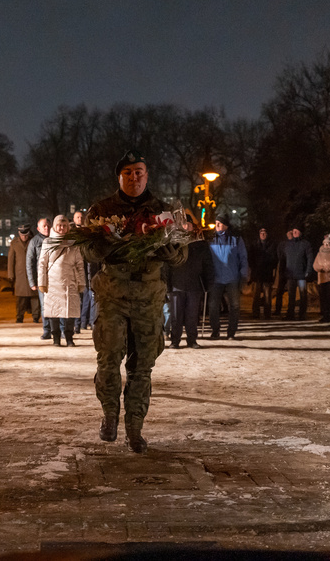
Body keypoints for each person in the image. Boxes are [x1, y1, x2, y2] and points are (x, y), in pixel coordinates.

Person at [84, 149, 186, 454]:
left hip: (148, 299)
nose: (134, 177)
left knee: (142, 367)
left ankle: (135, 428)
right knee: (108, 360)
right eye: (127, 172)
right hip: (113, 296)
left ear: (147, 175)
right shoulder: (101, 210)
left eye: (139, 172)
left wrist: (170, 251)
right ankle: (109, 415)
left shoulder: (163, 211)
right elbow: (87, 250)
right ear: (119, 177)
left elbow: (182, 253)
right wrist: (104, 245)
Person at [38, 215, 85, 346]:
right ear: (54, 226)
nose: (62, 228)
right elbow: (42, 264)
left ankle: (69, 338)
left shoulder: (73, 243)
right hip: (52, 283)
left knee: (70, 312)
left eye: (64, 226)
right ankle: (56, 338)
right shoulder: (48, 242)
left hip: (70, 282)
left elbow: (80, 264)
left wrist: (81, 282)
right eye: (59, 225)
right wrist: (42, 283)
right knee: (54, 312)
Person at [168, 215, 213, 348]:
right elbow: (167, 265)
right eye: (184, 224)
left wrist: (208, 283)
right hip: (177, 284)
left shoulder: (200, 244)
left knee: (192, 316)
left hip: (194, 285)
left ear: (193, 226)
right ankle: (175, 340)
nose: (186, 226)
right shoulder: (173, 243)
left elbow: (208, 265)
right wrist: (167, 283)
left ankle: (192, 340)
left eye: (189, 224)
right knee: (176, 316)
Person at [207, 213, 248, 340]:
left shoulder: (236, 239)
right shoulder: (211, 239)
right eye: (216, 223)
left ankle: (231, 332)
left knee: (234, 306)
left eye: (219, 223)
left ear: (225, 225)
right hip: (216, 278)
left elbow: (243, 257)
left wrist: (243, 274)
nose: (217, 225)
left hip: (232, 277)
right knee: (213, 306)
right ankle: (215, 330)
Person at [27, 217, 53, 339]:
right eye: (44, 226)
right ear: (38, 229)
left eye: (48, 225)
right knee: (44, 306)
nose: (46, 228)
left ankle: (58, 329)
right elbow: (30, 262)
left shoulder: (56, 239)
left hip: (56, 278)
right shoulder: (34, 242)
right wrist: (32, 282)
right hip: (42, 279)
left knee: (57, 305)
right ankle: (47, 330)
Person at [8, 224, 39, 323]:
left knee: (35, 297)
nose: (24, 237)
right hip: (20, 275)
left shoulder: (34, 241)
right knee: (20, 298)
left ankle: (36, 316)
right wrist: (11, 274)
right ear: (19, 234)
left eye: (26, 235)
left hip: (33, 274)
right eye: (22, 235)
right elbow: (11, 260)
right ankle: (19, 316)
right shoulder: (14, 243)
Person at [282, 227, 314, 320]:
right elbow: (283, 257)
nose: (294, 232)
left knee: (303, 295)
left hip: (301, 274)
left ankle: (302, 314)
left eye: (296, 231)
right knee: (291, 295)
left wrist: (308, 270)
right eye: (293, 231)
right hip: (290, 274)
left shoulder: (305, 244)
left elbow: (310, 258)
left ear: (300, 232)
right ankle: (290, 314)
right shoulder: (288, 244)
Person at [248, 227, 277, 319]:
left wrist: (270, 266)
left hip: (267, 273)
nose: (263, 234)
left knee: (267, 295)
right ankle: (255, 313)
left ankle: (267, 313)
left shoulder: (272, 245)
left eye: (264, 233)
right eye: (261, 233)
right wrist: (254, 268)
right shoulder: (254, 245)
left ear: (267, 234)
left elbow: (275, 258)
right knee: (256, 295)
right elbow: (250, 258)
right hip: (257, 274)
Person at [313, 233, 330, 323]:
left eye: (328, 244)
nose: (326, 245)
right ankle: (325, 314)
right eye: (325, 243)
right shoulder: (319, 253)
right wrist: (320, 268)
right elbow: (315, 264)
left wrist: (329, 268)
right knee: (323, 297)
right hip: (322, 278)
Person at [273, 230, 292, 316]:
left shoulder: (296, 244)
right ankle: (278, 309)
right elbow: (279, 255)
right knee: (279, 291)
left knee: (291, 291)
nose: (290, 234)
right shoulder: (282, 244)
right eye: (288, 233)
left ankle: (290, 311)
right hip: (283, 269)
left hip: (292, 270)